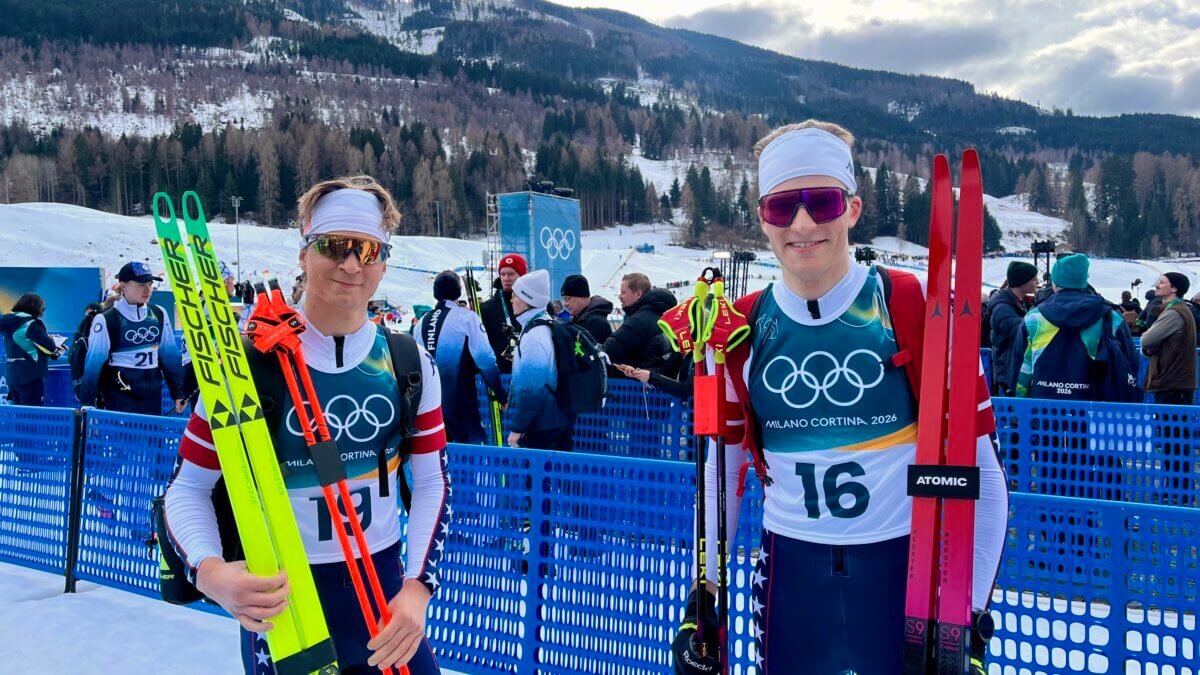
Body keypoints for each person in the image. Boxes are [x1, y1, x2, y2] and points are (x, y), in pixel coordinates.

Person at [670, 121, 1006, 675]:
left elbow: (986, 480)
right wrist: (701, 597)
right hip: (791, 572)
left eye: (822, 202)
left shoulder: (917, 307)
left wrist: (968, 622)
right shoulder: (742, 325)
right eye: (782, 208)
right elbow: (723, 467)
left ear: (852, 208)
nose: (803, 223)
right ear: (762, 219)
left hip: (903, 569)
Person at [162, 176, 448, 674]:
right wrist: (210, 574)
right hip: (286, 608)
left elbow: (431, 481)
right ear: (304, 253)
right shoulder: (244, 368)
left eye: (367, 248)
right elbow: (187, 489)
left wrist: (418, 587)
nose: (351, 264)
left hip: (384, 601)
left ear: (383, 261)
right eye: (334, 245)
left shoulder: (408, 362)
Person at [1012, 253, 1138, 400]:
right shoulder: (1111, 317)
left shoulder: (1034, 318)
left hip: (1043, 410)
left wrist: (1018, 403)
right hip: (1096, 409)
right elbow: (1131, 362)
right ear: (1084, 281)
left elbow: (1021, 364)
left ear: (1055, 283)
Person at [77, 261, 186, 415]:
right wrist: (87, 403)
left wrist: (179, 393)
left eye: (150, 284)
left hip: (152, 392)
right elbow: (93, 364)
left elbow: (170, 357)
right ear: (123, 286)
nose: (148, 289)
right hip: (120, 393)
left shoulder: (159, 313)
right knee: (123, 437)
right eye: (141, 284)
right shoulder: (106, 319)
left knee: (152, 436)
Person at [417, 270, 507, 443]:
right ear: (458, 292)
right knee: (473, 454)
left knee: (443, 455)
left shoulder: (421, 322)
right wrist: (500, 393)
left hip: (429, 403)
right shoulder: (467, 318)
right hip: (460, 402)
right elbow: (485, 360)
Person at [506, 269, 574, 451]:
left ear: (528, 301)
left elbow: (532, 388)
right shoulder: (547, 324)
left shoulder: (534, 335)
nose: (511, 300)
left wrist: (517, 429)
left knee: (535, 477)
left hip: (542, 421)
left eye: (515, 296)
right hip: (558, 416)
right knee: (560, 476)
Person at [603, 273, 676, 375]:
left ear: (638, 294)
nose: (619, 296)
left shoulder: (639, 320)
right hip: (655, 381)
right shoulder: (658, 313)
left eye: (623, 292)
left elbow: (607, 351)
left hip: (638, 383)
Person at [1141, 273, 1197, 405]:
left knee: (1169, 424)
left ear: (1174, 289)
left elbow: (1146, 340)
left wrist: (1148, 346)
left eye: (1162, 282)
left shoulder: (1174, 312)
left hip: (1173, 383)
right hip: (1175, 383)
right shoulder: (1177, 310)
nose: (1157, 285)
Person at [0, 293, 64, 406]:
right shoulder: (31, 324)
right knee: (33, 415)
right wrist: (54, 343)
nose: (42, 312)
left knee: (20, 415)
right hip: (30, 376)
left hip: (12, 375)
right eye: (42, 308)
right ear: (35, 307)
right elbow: (51, 348)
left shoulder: (7, 320)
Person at [987, 261, 1037, 396]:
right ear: (1022, 282)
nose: (1037, 282)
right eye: (1033, 279)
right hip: (1008, 372)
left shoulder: (1022, 302)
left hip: (1017, 368)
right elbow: (1021, 331)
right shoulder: (1002, 308)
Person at [480, 253, 525, 374]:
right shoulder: (487, 308)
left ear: (522, 276)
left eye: (511, 274)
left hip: (529, 371)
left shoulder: (535, 304)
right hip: (500, 375)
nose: (506, 278)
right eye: (502, 274)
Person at [560, 274, 614, 343]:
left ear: (582, 297)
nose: (565, 304)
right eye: (564, 299)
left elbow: (582, 352)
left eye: (569, 298)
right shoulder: (579, 319)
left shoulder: (597, 323)